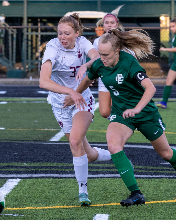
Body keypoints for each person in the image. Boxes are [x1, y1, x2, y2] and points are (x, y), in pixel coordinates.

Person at [69, 28, 176, 206]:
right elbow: (86, 79)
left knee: (166, 153)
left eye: (106, 54)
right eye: (100, 54)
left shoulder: (129, 62)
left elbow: (150, 88)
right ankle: (136, 193)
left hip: (144, 113)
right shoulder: (100, 63)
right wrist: (75, 95)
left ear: (117, 51)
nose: (102, 58)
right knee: (114, 146)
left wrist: (137, 109)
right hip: (122, 113)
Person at [39, 13, 112, 206]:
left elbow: (96, 57)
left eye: (67, 33)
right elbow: (43, 81)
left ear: (77, 33)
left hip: (82, 100)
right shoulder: (52, 47)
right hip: (60, 104)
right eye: (60, 33)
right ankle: (113, 155)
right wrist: (70, 92)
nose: (62, 37)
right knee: (86, 153)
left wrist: (87, 66)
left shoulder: (83, 43)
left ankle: (83, 191)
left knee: (74, 141)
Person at [93, 5, 136, 118]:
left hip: (120, 79)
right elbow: (96, 61)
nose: (109, 25)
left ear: (117, 25)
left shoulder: (124, 41)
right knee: (105, 112)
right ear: (103, 25)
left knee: (117, 110)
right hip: (104, 79)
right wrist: (92, 75)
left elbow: (132, 59)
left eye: (112, 23)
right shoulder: (97, 41)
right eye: (107, 23)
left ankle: (119, 129)